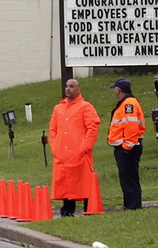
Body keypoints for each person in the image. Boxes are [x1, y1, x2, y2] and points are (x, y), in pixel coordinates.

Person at [49, 78, 101, 216]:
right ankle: (67, 210)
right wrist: (55, 147)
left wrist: (84, 147)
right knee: (66, 182)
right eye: (66, 86)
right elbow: (52, 130)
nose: (68, 88)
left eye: (71, 86)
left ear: (78, 90)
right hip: (62, 153)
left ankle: (89, 209)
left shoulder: (86, 107)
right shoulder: (58, 108)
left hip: (79, 153)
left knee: (84, 182)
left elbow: (92, 128)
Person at [107, 77, 145, 210]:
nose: (114, 93)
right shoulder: (127, 103)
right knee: (127, 178)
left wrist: (126, 147)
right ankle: (129, 204)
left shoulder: (129, 104)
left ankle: (133, 206)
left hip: (128, 148)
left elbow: (131, 127)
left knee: (129, 179)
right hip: (125, 147)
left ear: (118, 90)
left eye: (115, 90)